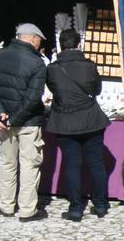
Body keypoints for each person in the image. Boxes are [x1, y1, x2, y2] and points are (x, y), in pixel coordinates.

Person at [45, 29, 111, 221]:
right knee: (97, 164)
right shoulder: (89, 66)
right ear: (79, 45)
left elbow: (53, 89)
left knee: (72, 165)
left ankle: (75, 208)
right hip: (91, 119)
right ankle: (100, 205)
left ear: (60, 45)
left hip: (64, 122)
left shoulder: (52, 68)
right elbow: (97, 89)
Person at [0, 23, 49, 222]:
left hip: (4, 122)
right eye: (39, 40)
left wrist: (1, 114)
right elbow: (34, 97)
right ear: (33, 38)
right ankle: (27, 210)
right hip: (28, 122)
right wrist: (15, 119)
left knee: (7, 163)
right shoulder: (37, 63)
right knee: (29, 165)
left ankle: (6, 205)